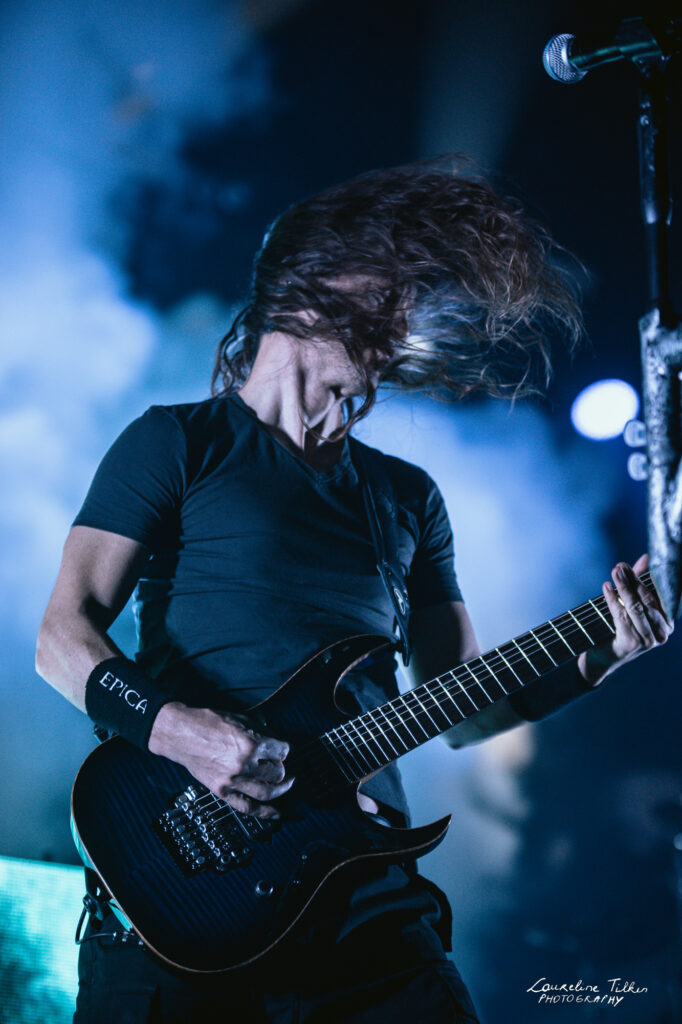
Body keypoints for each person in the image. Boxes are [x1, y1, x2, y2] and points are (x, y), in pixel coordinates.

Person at [36, 160, 673, 1023]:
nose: (403, 312)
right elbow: (61, 640)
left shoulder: (407, 497)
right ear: (307, 288)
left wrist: (598, 657)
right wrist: (179, 732)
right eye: (385, 287)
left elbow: (469, 707)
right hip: (182, 886)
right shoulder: (177, 443)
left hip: (360, 895)